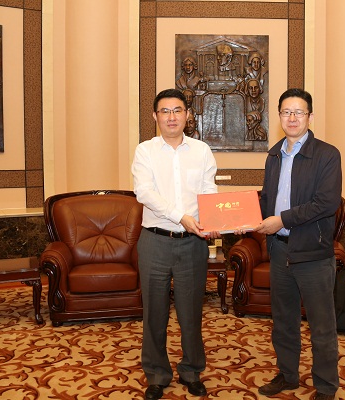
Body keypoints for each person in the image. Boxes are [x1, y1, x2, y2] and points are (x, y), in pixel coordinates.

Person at [131, 88, 220, 400]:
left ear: (188, 115)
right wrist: (181, 216)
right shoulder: (145, 151)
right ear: (155, 116)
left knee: (190, 313)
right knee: (154, 314)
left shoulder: (202, 151)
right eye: (165, 111)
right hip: (155, 241)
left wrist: (214, 220)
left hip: (192, 244)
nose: (171, 117)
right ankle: (157, 374)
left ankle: (192, 371)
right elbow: (144, 192)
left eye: (177, 110)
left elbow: (208, 191)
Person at [254, 88, 342, 400]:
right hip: (280, 251)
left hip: (313, 253)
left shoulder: (327, 154)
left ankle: (326, 386)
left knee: (321, 325)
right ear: (279, 116)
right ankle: (288, 375)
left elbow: (326, 203)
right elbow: (268, 198)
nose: (292, 118)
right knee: (283, 321)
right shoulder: (274, 155)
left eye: (299, 112)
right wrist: (245, 217)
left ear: (310, 117)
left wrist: (282, 220)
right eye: (286, 112)